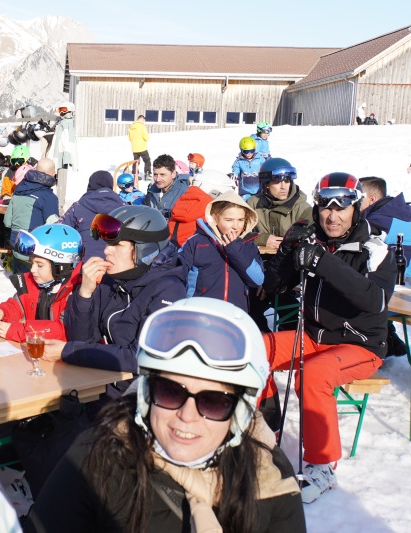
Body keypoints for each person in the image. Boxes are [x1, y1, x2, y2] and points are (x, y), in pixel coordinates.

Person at [25, 298, 304, 533]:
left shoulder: (266, 475)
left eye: (214, 401)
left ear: (240, 412)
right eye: (170, 392)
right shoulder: (100, 456)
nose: (187, 416)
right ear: (147, 394)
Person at [260, 173, 394, 503]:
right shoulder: (313, 241)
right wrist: (288, 250)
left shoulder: (374, 249)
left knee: (314, 374)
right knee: (254, 348)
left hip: (358, 344)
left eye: (341, 208)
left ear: (356, 208)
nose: (332, 216)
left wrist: (323, 262)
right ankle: (265, 429)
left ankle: (322, 465)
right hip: (314, 335)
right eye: (325, 208)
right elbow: (273, 286)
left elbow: (374, 300)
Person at [43, 206, 187, 373]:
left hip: (139, 387)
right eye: (107, 244)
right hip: (102, 380)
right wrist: (84, 294)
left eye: (117, 245)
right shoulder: (113, 279)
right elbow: (82, 339)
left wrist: (68, 351)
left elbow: (143, 358)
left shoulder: (169, 290)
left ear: (146, 250)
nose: (106, 250)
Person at [246, 158, 313, 332]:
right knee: (249, 303)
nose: (284, 186)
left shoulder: (303, 208)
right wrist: (262, 238)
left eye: (287, 181)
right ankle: (263, 338)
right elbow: (238, 232)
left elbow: (310, 238)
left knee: (276, 295)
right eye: (277, 182)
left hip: (291, 267)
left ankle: (288, 334)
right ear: (266, 184)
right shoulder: (253, 204)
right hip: (260, 264)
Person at [0, 224, 83, 342]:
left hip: (66, 353)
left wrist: (20, 331)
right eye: (31, 263)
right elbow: (17, 306)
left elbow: (63, 330)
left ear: (61, 267)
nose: (32, 270)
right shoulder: (34, 283)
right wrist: (2, 311)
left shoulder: (79, 293)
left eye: (39, 265)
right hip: (36, 349)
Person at [179, 191, 263, 312]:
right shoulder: (196, 242)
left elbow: (257, 280)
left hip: (236, 313)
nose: (235, 226)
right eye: (229, 220)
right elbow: (176, 274)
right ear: (214, 219)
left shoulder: (248, 245)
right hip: (200, 311)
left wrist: (236, 250)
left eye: (240, 220)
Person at [359, 176, 411, 355]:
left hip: (403, 287)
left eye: (359, 197)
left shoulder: (376, 220)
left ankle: (377, 348)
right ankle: (390, 341)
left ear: (371, 199)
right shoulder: (398, 211)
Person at [4, 158, 60, 273]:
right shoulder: (49, 197)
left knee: (20, 282)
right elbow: (53, 229)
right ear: (53, 173)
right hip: (35, 253)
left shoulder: (19, 189)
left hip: (16, 246)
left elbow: (7, 222)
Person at [59, 170, 124, 260]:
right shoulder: (124, 207)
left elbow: (61, 229)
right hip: (116, 261)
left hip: (86, 261)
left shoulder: (79, 206)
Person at [142, 154, 190, 220]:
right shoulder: (152, 191)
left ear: (173, 174)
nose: (158, 179)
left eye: (162, 175)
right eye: (155, 175)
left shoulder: (185, 192)